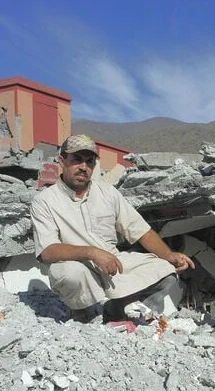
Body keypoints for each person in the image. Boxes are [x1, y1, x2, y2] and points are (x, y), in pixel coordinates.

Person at [30, 134, 195, 321]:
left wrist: (169, 255)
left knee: (166, 270)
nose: (83, 167)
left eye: (89, 161)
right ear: (62, 161)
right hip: (78, 265)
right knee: (69, 273)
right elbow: (47, 252)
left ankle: (119, 311)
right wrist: (92, 252)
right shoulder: (44, 201)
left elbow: (140, 230)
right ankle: (83, 316)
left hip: (112, 262)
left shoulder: (107, 193)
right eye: (76, 160)